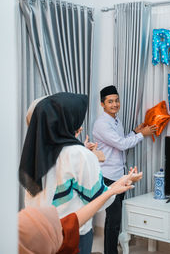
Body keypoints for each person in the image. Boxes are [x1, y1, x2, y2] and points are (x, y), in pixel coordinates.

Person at [19, 92, 130, 254]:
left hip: (37, 233)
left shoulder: (34, 150)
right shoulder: (78, 155)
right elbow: (98, 200)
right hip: (69, 232)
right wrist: (115, 188)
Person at [92, 85, 157, 254]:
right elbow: (121, 145)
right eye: (110, 101)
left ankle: (111, 250)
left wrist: (135, 131)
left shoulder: (115, 120)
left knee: (115, 219)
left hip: (118, 175)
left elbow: (119, 140)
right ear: (102, 104)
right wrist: (143, 134)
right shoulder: (101, 124)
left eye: (117, 100)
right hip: (107, 177)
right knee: (113, 219)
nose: (115, 104)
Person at [18, 168, 142, 254]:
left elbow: (73, 220)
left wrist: (116, 186)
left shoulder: (35, 158)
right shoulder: (77, 157)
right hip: (72, 235)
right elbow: (75, 219)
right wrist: (113, 189)